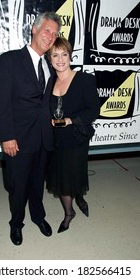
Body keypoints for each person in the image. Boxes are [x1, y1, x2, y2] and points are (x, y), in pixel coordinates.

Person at [0, 12, 62, 245]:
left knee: (37, 182)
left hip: (43, 137)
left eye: (55, 33)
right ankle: (16, 224)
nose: (51, 36)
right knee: (18, 185)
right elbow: (1, 102)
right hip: (18, 139)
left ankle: (38, 216)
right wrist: (8, 137)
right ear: (34, 29)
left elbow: (46, 101)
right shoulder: (9, 60)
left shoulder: (49, 65)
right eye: (47, 31)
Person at [46, 37, 100, 233]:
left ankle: (73, 205)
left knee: (73, 172)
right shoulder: (49, 81)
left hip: (76, 137)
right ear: (49, 58)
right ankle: (73, 207)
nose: (60, 59)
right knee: (61, 175)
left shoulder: (84, 79)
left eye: (64, 54)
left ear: (70, 56)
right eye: (55, 55)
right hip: (56, 139)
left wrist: (70, 120)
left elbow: (94, 110)